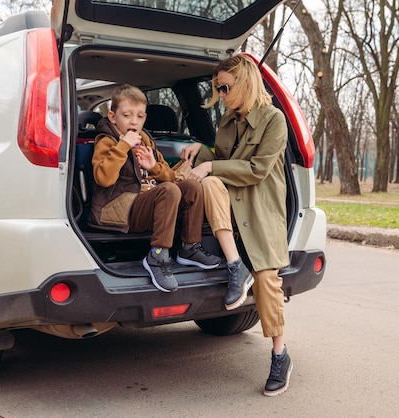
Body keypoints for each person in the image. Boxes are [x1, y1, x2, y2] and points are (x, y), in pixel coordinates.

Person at [181, 54, 291, 396]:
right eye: (218, 88)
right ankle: (233, 264)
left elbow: (257, 170)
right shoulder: (228, 122)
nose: (221, 94)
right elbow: (222, 163)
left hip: (260, 209)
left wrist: (212, 168)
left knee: (267, 280)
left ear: (244, 83)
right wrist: (202, 153)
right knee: (211, 183)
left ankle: (280, 355)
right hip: (230, 208)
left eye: (226, 87)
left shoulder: (274, 120)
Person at [89, 84, 221, 293]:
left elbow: (170, 177)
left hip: (149, 205)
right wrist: (123, 146)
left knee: (191, 186)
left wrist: (153, 167)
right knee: (169, 191)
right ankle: (158, 255)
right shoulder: (106, 141)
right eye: (127, 115)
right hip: (120, 212)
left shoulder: (146, 141)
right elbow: (104, 178)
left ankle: (189, 247)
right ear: (113, 117)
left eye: (140, 116)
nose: (134, 121)